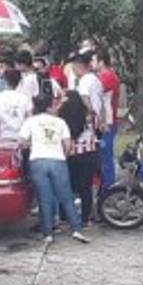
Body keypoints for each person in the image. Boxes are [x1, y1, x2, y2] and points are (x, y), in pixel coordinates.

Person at [19, 93, 88, 245]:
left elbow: (22, 142)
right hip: (57, 160)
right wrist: (63, 155)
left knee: (44, 198)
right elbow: (68, 145)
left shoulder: (31, 121)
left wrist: (32, 145)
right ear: (49, 106)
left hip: (38, 160)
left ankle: (48, 233)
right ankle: (76, 229)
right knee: (66, 196)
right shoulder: (60, 122)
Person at [58, 90, 100, 225]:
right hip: (89, 153)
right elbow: (98, 131)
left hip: (71, 154)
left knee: (67, 186)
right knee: (86, 187)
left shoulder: (63, 118)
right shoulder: (90, 115)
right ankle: (85, 217)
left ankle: (65, 215)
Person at [95, 49, 121, 189]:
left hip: (108, 121)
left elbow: (97, 92)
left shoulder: (108, 77)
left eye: (94, 61)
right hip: (105, 120)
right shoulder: (102, 76)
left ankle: (109, 185)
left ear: (101, 62)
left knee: (106, 155)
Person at [0, 68, 32, 143]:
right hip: (21, 139)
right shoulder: (25, 98)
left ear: (4, 81)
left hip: (3, 138)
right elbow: (29, 119)